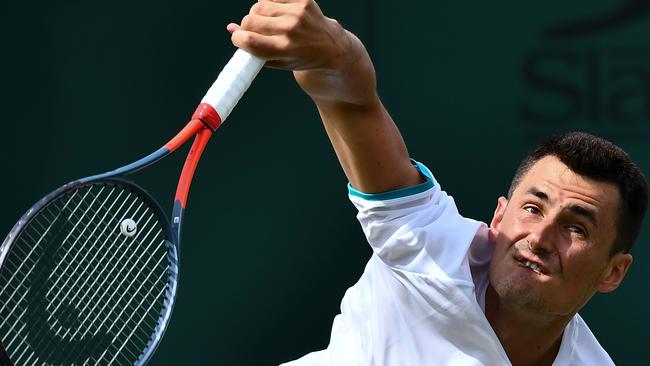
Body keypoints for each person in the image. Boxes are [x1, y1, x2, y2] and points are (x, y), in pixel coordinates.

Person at [227, 1, 649, 365]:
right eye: (532, 208)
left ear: (613, 272)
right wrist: (336, 61)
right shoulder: (431, 248)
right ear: (498, 217)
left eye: (576, 228)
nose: (539, 237)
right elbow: (351, 101)